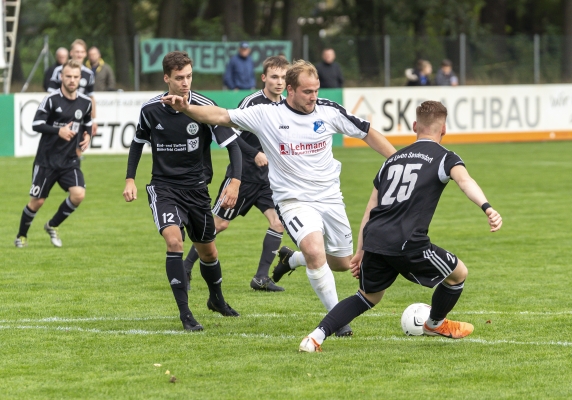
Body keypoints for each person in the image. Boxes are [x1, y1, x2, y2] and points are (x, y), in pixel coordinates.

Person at [161, 60, 397, 337]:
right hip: (293, 200)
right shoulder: (266, 114)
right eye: (307, 92)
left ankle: (290, 259)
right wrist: (186, 108)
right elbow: (221, 116)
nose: (314, 97)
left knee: (343, 263)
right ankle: (338, 320)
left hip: (331, 199)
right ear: (290, 90)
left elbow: (368, 133)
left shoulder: (328, 110)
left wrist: (399, 161)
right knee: (314, 250)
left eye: (316, 90)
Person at [298, 101, 503, 353]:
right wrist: (487, 207)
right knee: (458, 274)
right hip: (408, 242)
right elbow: (465, 181)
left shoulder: (392, 159)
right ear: (444, 130)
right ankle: (434, 324)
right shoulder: (445, 157)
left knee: (367, 297)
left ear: (415, 126)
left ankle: (315, 337)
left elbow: (370, 208)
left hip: (375, 239)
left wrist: (361, 250)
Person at [122, 51, 243, 331]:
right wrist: (130, 178)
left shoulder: (203, 107)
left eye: (189, 76)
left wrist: (235, 181)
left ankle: (216, 299)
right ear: (166, 78)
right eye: (179, 78)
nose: (185, 83)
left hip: (197, 190)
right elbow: (138, 143)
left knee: (208, 253)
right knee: (174, 242)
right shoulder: (150, 110)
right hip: (164, 188)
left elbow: (233, 146)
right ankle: (185, 313)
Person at [183, 56, 290, 293]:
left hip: (267, 180)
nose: (279, 82)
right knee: (218, 224)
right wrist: (255, 153)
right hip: (242, 176)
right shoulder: (252, 102)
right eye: (274, 77)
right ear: (264, 78)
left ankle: (261, 278)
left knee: (278, 222)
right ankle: (185, 267)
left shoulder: (286, 105)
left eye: (283, 77)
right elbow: (231, 135)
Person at [14, 59, 92, 248]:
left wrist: (87, 136)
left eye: (75, 77)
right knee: (37, 202)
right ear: (61, 77)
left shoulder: (85, 102)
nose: (72, 80)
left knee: (78, 195)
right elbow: (36, 124)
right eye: (68, 76)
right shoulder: (51, 100)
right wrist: (58, 131)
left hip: (69, 160)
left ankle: (52, 225)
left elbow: (87, 123)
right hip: (46, 161)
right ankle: (21, 236)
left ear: (80, 78)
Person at [48, 39, 97, 136]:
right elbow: (51, 95)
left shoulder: (89, 74)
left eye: (82, 52)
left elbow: (91, 97)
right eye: (77, 52)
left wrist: (94, 119)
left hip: (80, 116)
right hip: (61, 115)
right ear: (71, 53)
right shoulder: (59, 70)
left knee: (78, 148)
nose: (79, 55)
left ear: (85, 54)